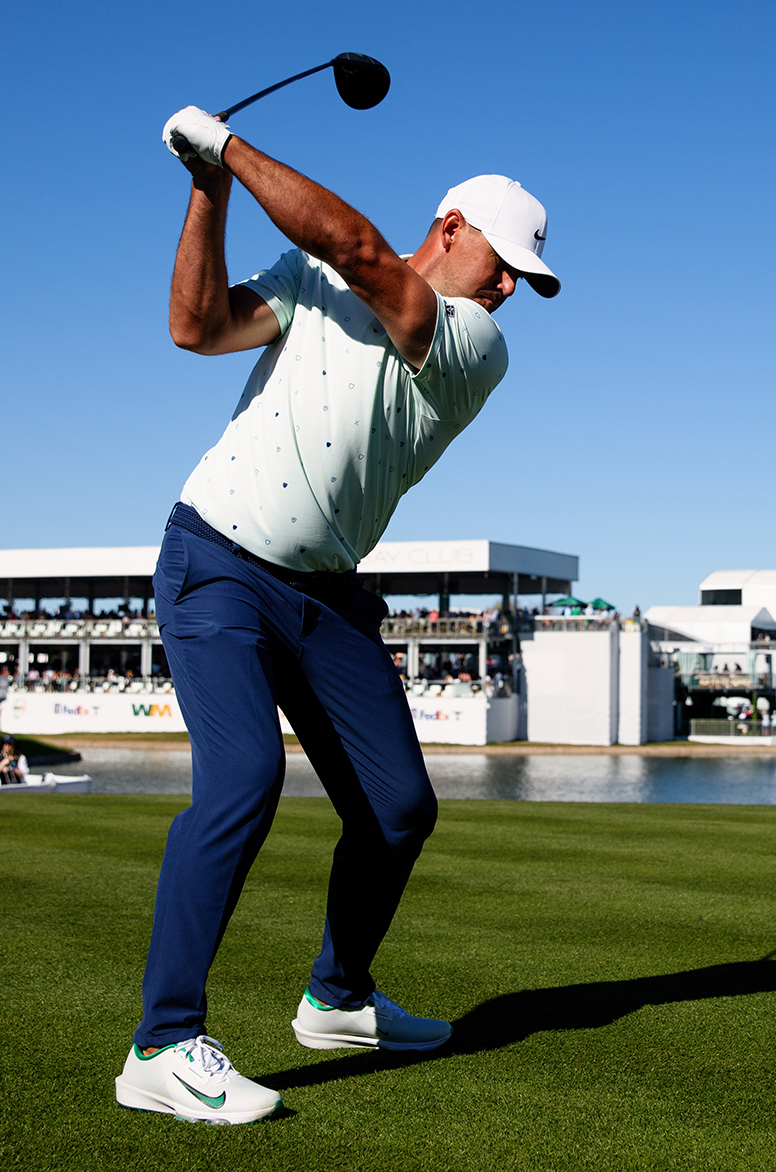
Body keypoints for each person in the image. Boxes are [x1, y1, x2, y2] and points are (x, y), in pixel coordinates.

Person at [115, 105, 560, 1125]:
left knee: (399, 806)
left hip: (326, 594)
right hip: (217, 559)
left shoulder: (472, 343)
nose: (508, 288)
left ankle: (338, 997)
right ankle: (162, 1042)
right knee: (243, 782)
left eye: (524, 283)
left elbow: (355, 248)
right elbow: (196, 327)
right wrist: (206, 189)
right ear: (451, 226)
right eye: (504, 263)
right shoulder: (314, 285)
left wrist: (225, 143)